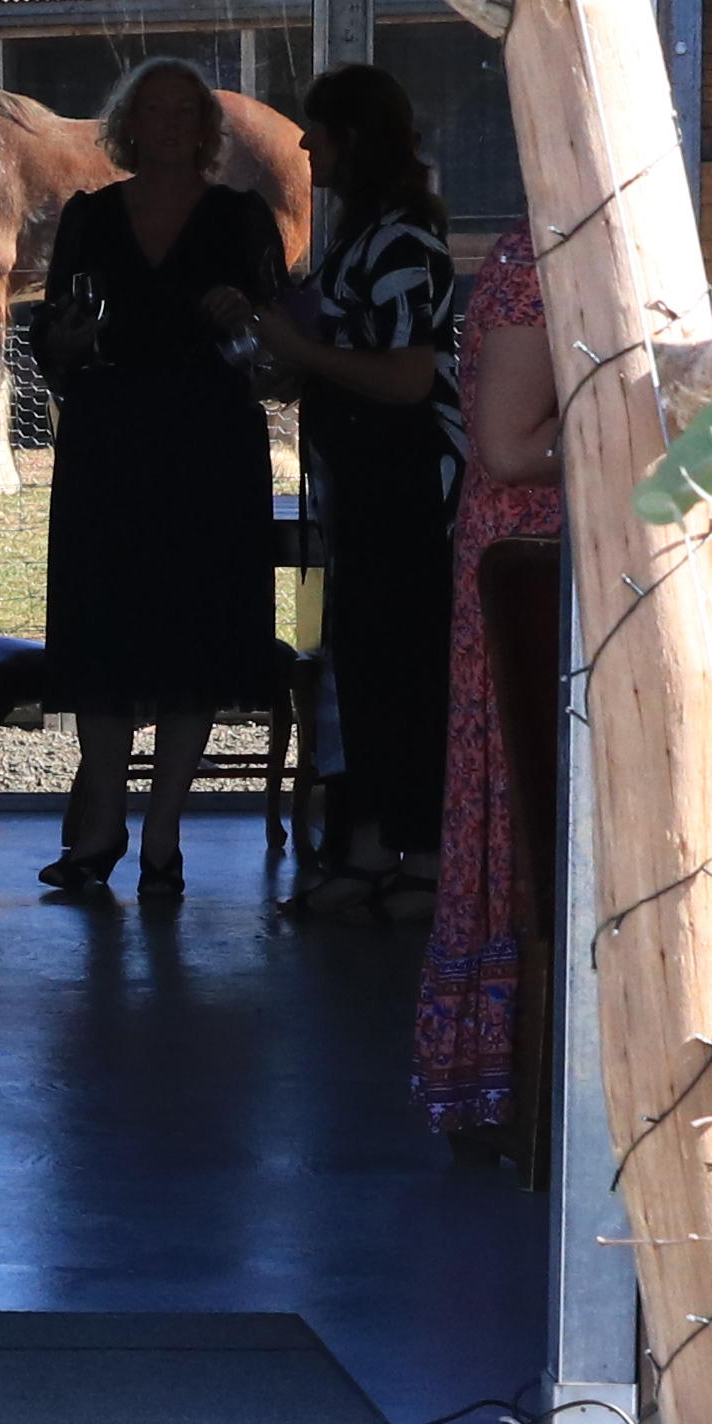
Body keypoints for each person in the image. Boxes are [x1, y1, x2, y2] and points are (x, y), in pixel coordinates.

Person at [28, 60, 296, 897]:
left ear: (208, 130)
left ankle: (164, 832)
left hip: (209, 444)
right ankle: (104, 819)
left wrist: (244, 321)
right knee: (102, 629)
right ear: (128, 124)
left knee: (197, 631)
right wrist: (67, 343)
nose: (173, 123)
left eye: (189, 111)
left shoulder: (241, 216)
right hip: (108, 444)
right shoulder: (89, 215)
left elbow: (277, 355)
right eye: (156, 110)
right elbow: (52, 347)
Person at [217, 61, 457, 918]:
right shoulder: (363, 240)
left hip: (408, 496)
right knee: (363, 669)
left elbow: (403, 379)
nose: (305, 144)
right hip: (364, 491)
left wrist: (296, 346)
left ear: (353, 138)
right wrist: (265, 341)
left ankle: (419, 857)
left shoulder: (400, 247)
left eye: (319, 129)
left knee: (406, 670)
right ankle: (369, 848)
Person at [410, 217, 567, 1138]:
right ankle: (503, 1077)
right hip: (533, 558)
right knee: (521, 805)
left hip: (571, 553)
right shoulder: (534, 254)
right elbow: (508, 447)